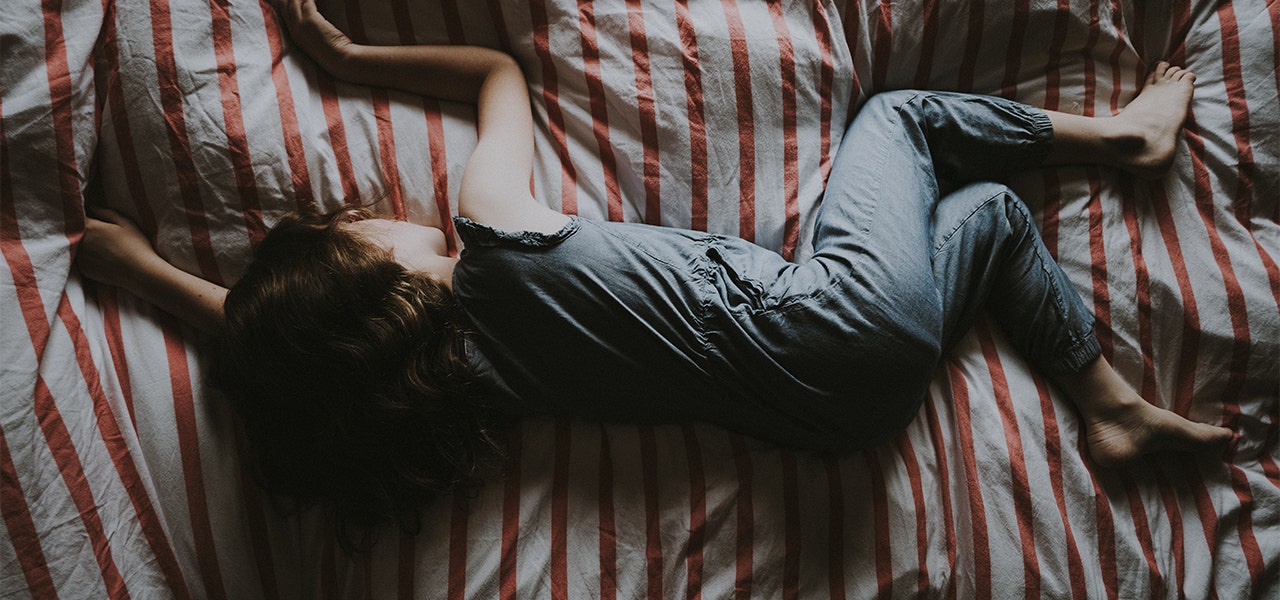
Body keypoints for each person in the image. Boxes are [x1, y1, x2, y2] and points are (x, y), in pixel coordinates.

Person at [77, 0, 1233, 544]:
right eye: (355, 234)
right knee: (900, 116)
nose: (377, 217)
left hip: (841, 411)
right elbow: (495, 73)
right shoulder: (488, 239)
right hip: (834, 321)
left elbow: (277, 339)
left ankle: (1110, 410)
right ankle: (1120, 140)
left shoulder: (484, 383)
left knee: (984, 214)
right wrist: (344, 56)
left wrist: (140, 276)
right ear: (374, 285)